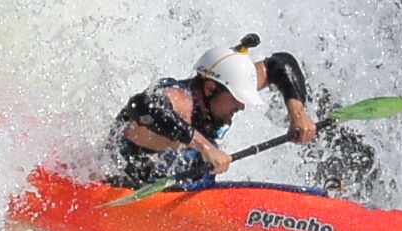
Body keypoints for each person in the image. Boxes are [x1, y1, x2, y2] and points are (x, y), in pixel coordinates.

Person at [99, 36, 329, 192]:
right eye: (237, 99)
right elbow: (141, 106)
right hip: (125, 186)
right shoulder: (179, 102)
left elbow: (280, 63)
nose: (241, 107)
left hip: (182, 189)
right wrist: (204, 147)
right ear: (210, 88)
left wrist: (297, 112)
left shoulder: (222, 89)